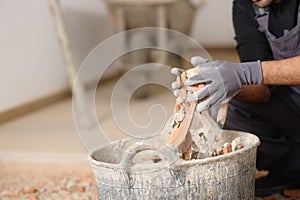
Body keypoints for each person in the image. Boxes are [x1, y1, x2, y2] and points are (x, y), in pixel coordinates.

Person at [172, 0, 300, 197]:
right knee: (226, 105)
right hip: (290, 106)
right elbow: (261, 91)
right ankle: (291, 169)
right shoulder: (245, 5)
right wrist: (213, 82)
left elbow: (252, 73)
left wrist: (245, 73)